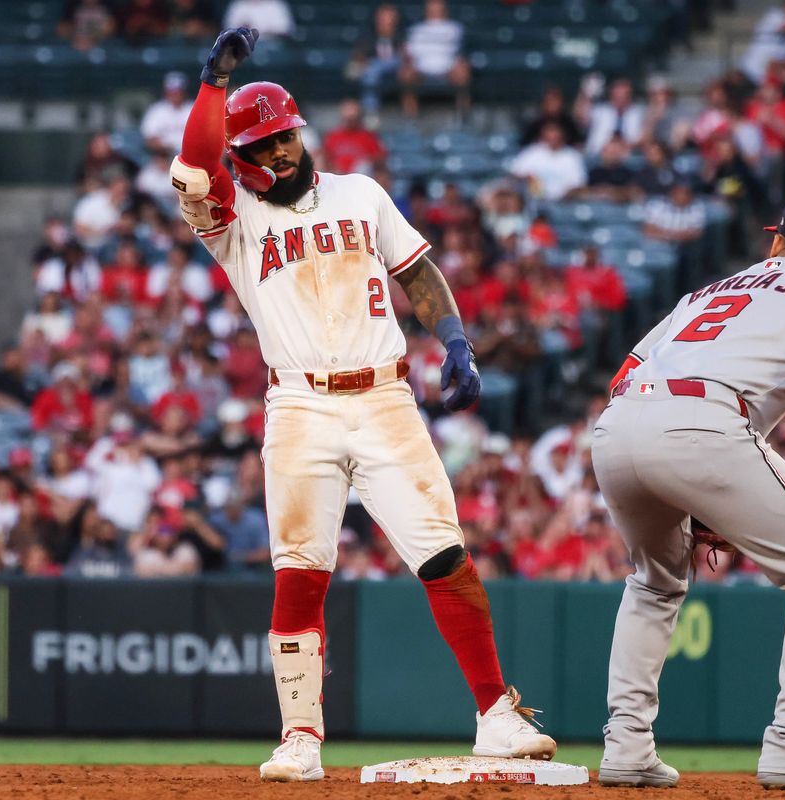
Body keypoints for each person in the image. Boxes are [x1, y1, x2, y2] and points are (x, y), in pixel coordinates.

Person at [167, 27, 555, 782]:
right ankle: (300, 737)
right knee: (301, 570)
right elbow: (192, 164)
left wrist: (455, 340)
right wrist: (213, 85)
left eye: (286, 138)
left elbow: (418, 271)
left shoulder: (360, 193)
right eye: (264, 147)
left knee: (444, 554)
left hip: (384, 397)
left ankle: (495, 715)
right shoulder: (234, 221)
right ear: (241, 161)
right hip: (300, 406)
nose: (280, 153)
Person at [593, 195, 785, 789]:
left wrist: (691, 485)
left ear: (776, 243)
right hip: (704, 425)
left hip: (617, 427)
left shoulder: (706, 292)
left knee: (654, 581)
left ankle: (626, 748)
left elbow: (624, 374)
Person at [399, 0, 471, 117]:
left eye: (438, 7)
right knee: (406, 73)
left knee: (463, 70)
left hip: (449, 68)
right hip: (421, 69)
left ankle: (463, 113)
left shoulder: (455, 28)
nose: (435, 10)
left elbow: (459, 51)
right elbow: (409, 53)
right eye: (432, 7)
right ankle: (410, 114)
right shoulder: (416, 30)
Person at [508, 121, 587, 202]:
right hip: (532, 201)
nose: (553, 137)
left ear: (562, 135)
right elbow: (514, 175)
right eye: (550, 133)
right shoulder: (531, 153)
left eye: (556, 133)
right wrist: (528, 179)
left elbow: (578, 184)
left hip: (564, 203)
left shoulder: (572, 156)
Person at [321, 99, 385, 176]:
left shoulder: (368, 136)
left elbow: (379, 160)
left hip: (361, 178)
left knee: (364, 166)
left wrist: (366, 161)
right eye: (348, 119)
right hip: (338, 177)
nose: (350, 121)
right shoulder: (333, 136)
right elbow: (325, 158)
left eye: (353, 118)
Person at [141, 72, 195, 156]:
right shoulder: (157, 110)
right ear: (166, 92)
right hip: (164, 156)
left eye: (178, 91)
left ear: (184, 92)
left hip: (192, 155)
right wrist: (168, 148)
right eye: (171, 91)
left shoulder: (194, 107)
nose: (175, 95)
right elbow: (149, 140)